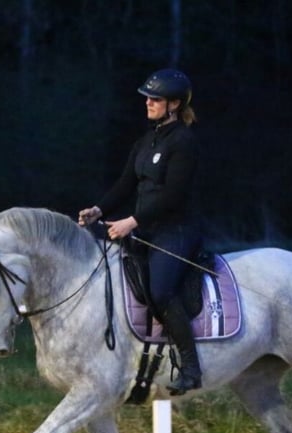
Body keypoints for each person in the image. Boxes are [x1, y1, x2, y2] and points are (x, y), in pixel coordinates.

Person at [78, 68, 203, 396]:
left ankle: (191, 366)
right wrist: (99, 210)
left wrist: (131, 221)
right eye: (147, 98)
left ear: (174, 104)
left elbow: (172, 196)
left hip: (176, 230)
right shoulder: (146, 141)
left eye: (155, 99)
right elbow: (125, 184)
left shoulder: (184, 142)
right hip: (146, 226)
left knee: (160, 291)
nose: (147, 103)